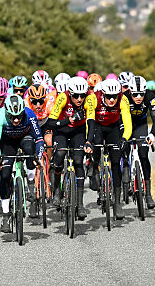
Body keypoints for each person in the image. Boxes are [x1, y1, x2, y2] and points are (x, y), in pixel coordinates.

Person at [0, 93, 45, 232]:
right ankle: (5, 215)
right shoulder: (0, 115)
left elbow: (39, 139)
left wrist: (38, 157)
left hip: (24, 137)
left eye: (19, 116)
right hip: (7, 142)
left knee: (30, 150)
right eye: (12, 117)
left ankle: (31, 183)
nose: (16, 120)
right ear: (7, 113)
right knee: (4, 175)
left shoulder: (29, 114)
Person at [84, 77, 131, 219]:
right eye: (109, 96)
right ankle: (94, 165)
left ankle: (117, 202)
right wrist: (89, 141)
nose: (112, 100)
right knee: (96, 147)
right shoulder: (93, 99)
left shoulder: (123, 99)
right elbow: (90, 121)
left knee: (116, 162)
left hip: (113, 128)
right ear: (103, 94)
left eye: (114, 96)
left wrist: (124, 138)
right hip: (97, 127)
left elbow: (127, 122)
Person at [46, 76, 91, 220]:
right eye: (76, 96)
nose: (79, 99)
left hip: (78, 131)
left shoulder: (88, 99)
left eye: (82, 95)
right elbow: (50, 123)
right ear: (70, 93)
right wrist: (69, 120)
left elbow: (91, 122)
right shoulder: (63, 98)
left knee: (78, 160)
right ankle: (57, 191)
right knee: (59, 155)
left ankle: (80, 204)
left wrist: (89, 141)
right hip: (61, 131)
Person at [125, 76, 155, 209]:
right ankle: (125, 179)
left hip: (141, 125)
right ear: (130, 92)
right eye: (135, 94)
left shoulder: (150, 97)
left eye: (141, 94)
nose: (139, 97)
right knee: (123, 151)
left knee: (144, 155)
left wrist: (152, 134)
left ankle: (148, 194)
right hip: (126, 124)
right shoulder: (124, 97)